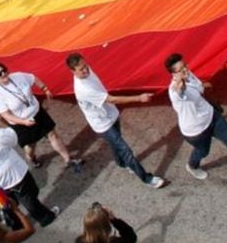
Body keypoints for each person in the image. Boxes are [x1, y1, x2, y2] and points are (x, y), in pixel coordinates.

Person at [64, 53, 166, 189]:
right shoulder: (84, 89)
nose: (86, 70)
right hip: (103, 124)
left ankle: (122, 163)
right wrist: (139, 98)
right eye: (81, 69)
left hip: (111, 114)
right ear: (73, 71)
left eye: (86, 65)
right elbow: (111, 99)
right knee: (125, 149)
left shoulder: (87, 71)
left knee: (115, 145)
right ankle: (146, 178)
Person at [164, 53, 227, 179]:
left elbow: (199, 88)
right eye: (181, 70)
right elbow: (179, 92)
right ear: (174, 74)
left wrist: (201, 84)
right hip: (196, 130)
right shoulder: (174, 91)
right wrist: (180, 85)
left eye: (185, 65)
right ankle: (192, 166)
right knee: (203, 151)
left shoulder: (189, 75)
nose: (185, 69)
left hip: (212, 116)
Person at [0, 62, 81, 170]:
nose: (3, 74)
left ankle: (68, 159)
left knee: (52, 134)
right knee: (30, 147)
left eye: (4, 70)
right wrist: (23, 122)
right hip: (21, 123)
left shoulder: (18, 76)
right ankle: (32, 158)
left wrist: (45, 89)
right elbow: (5, 115)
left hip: (37, 113)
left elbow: (34, 78)